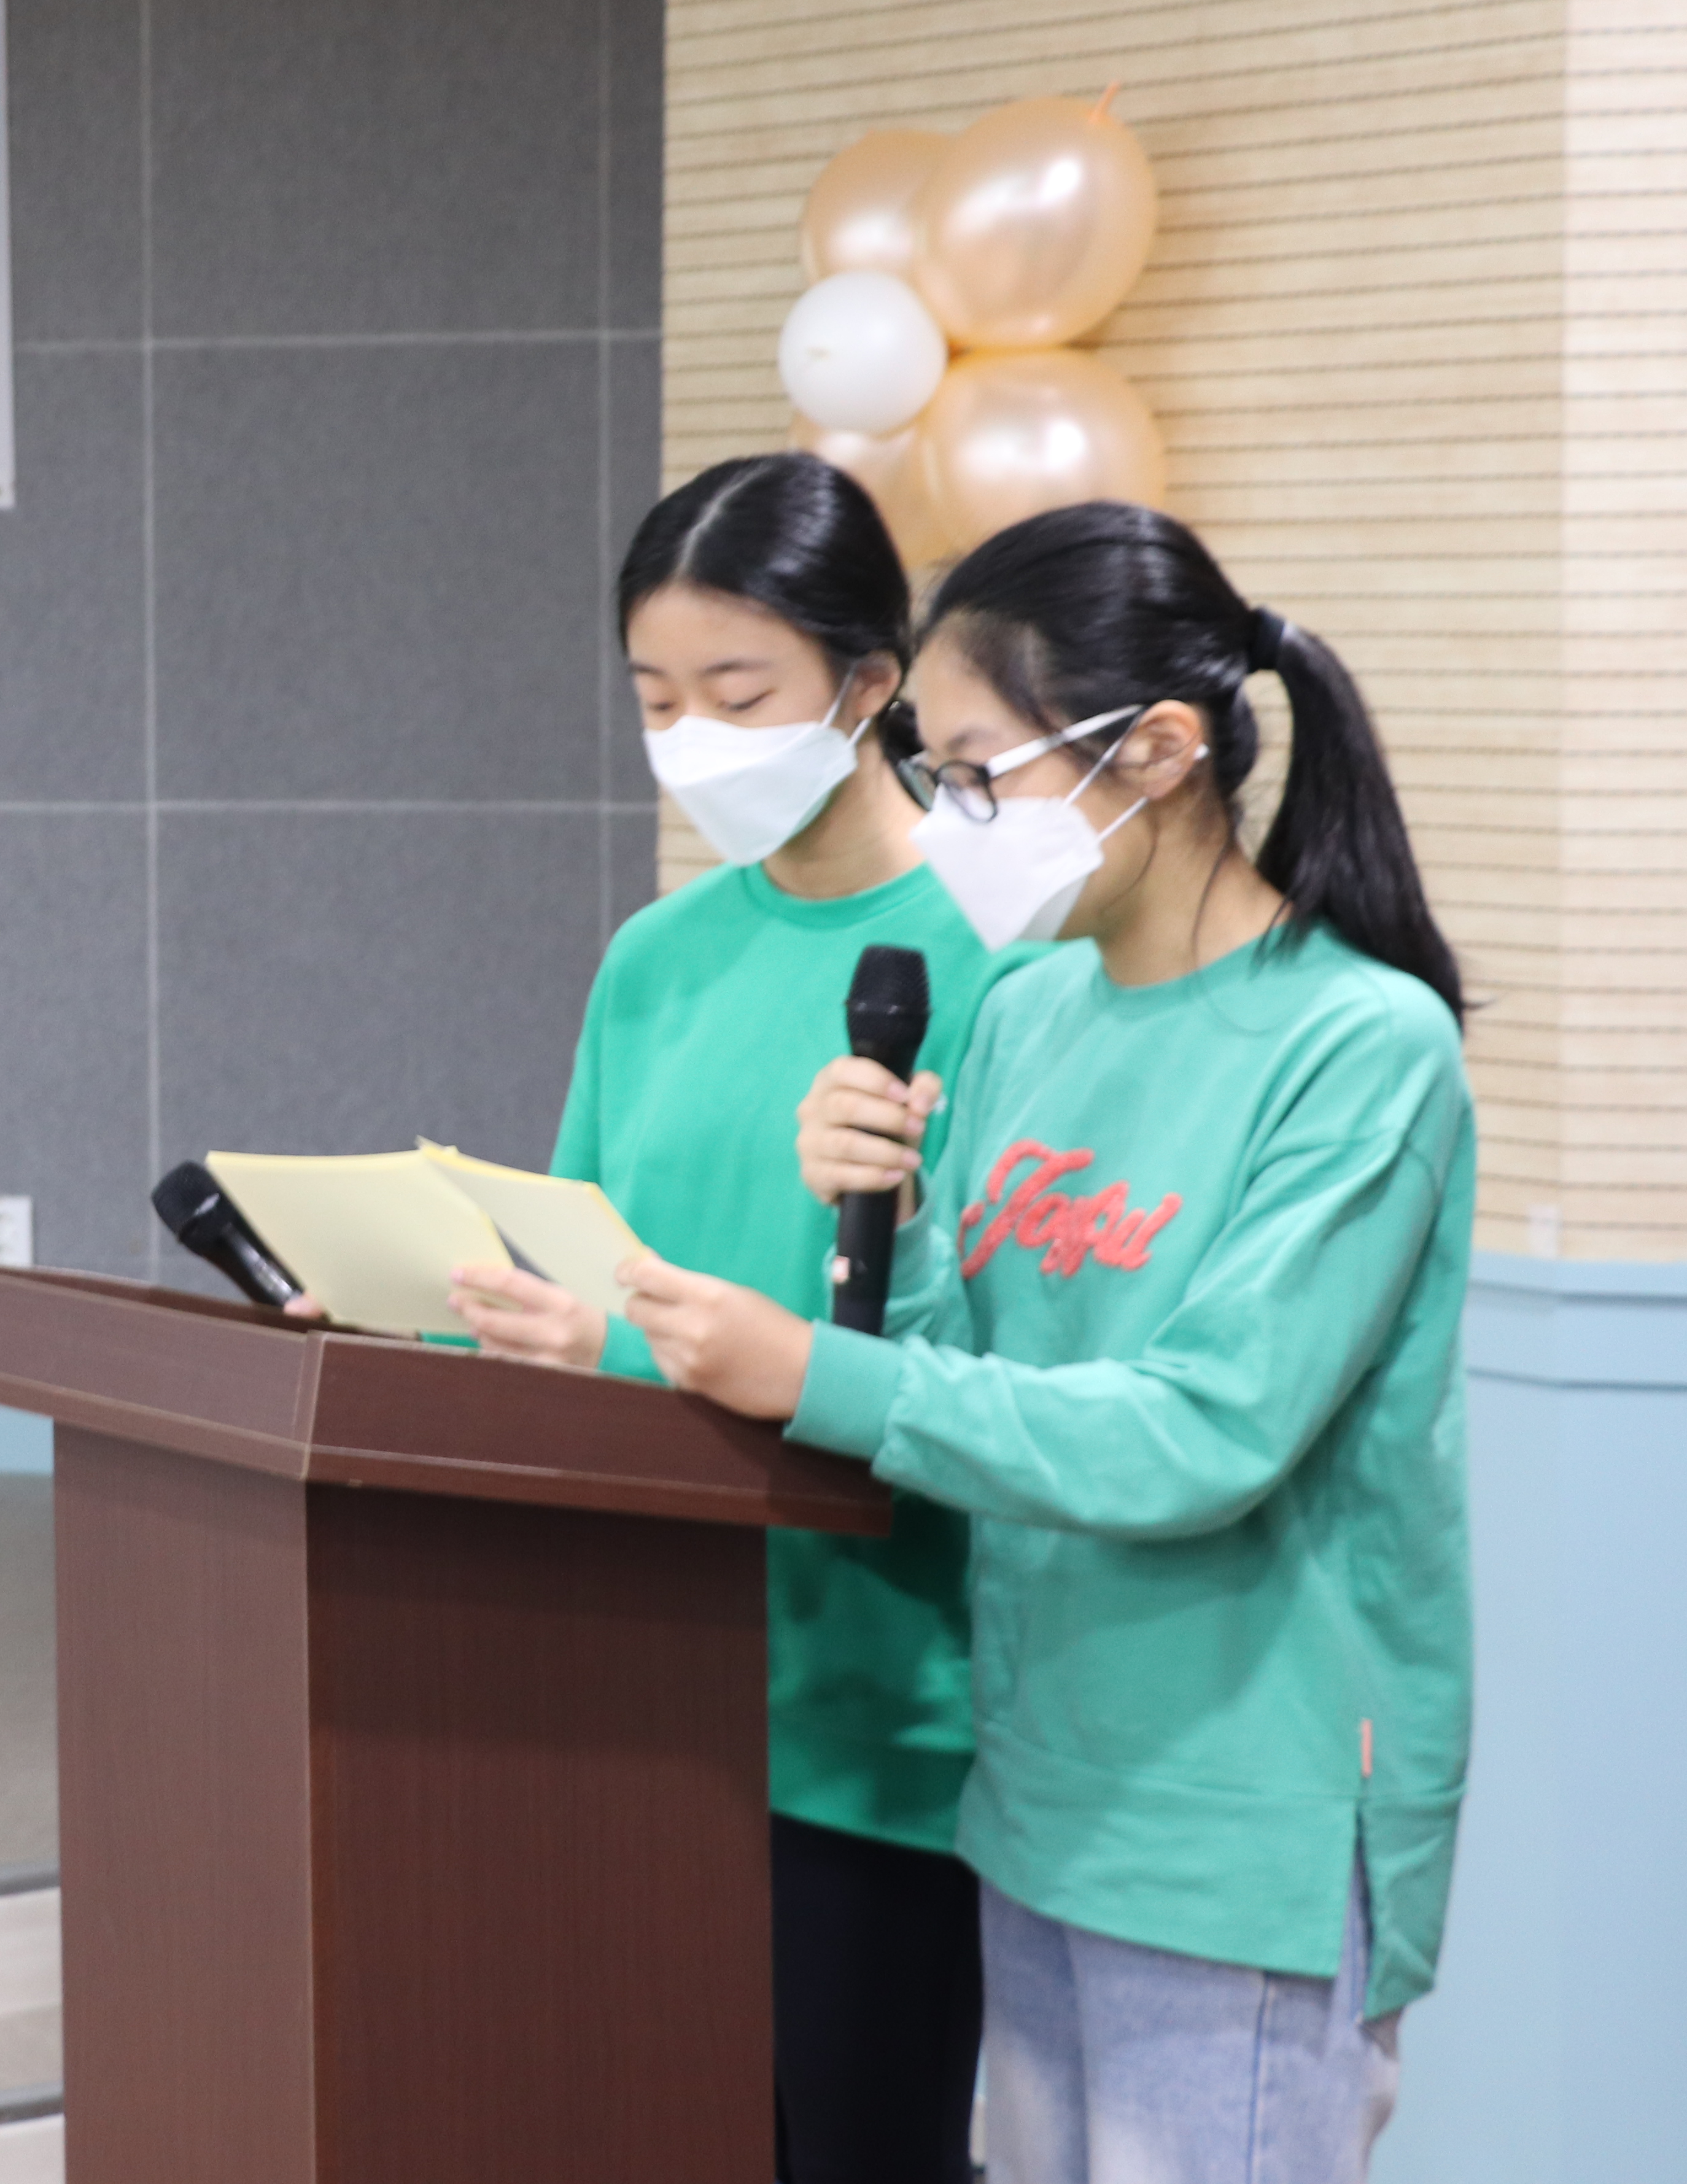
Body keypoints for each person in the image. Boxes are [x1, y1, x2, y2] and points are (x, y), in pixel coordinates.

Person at [617, 500, 1473, 2184]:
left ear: (1157, 753)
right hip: (1035, 1804)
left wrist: (814, 1372)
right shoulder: (1029, 1009)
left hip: (1235, 1827)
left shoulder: (1361, 1045)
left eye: (979, 775)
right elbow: (966, 1356)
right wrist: (880, 1229)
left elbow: (1204, 1436)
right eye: (935, 776)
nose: (952, 823)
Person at [448, 452, 1026, 2184]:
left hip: (881, 1713)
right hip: (640, 1687)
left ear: (869, 682)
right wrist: (401, 1316)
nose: (693, 736)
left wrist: (610, 1352)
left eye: (738, 691)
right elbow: (570, 1267)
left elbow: (987, 1357)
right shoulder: (657, 956)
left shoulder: (1008, 958)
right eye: (655, 698)